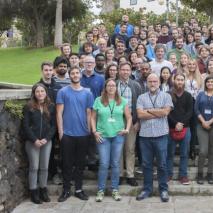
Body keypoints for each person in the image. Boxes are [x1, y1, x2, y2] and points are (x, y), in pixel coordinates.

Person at [56, 67, 94, 202]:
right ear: (69, 75)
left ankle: (78, 189)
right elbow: (59, 113)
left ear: (80, 75)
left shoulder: (88, 93)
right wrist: (61, 132)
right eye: (72, 73)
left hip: (83, 133)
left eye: (77, 73)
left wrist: (89, 130)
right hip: (67, 134)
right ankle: (66, 190)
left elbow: (89, 113)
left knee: (80, 164)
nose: (75, 75)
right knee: (66, 163)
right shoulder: (63, 92)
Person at [92, 79, 132, 202]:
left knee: (115, 163)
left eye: (113, 85)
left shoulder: (122, 101)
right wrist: (94, 131)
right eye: (109, 85)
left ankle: (115, 189)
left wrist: (127, 129)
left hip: (117, 136)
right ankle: (101, 190)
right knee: (104, 163)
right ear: (105, 87)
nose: (111, 87)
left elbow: (129, 117)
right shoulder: (98, 100)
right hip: (103, 136)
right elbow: (93, 118)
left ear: (116, 87)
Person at [136, 73, 173, 202]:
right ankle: (147, 189)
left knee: (162, 164)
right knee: (146, 164)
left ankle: (163, 189)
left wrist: (149, 111)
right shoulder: (141, 97)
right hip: (145, 136)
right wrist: (157, 111)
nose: (152, 84)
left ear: (159, 82)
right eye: (150, 81)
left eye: (155, 81)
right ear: (146, 83)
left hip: (161, 135)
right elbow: (140, 115)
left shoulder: (166, 96)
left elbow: (165, 112)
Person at [23, 83, 56, 204]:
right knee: (34, 167)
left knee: (44, 167)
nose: (40, 93)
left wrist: (46, 139)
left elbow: (53, 126)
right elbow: (25, 126)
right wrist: (35, 140)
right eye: (37, 91)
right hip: (32, 142)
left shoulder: (51, 106)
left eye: (42, 91)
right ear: (34, 93)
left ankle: (43, 190)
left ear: (45, 92)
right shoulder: (29, 106)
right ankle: (33, 192)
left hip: (46, 141)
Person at [117, 62, 142, 186]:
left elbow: (140, 105)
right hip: (115, 122)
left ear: (130, 71)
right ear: (119, 71)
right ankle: (120, 174)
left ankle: (130, 174)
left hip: (131, 121)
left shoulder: (135, 85)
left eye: (127, 70)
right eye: (123, 70)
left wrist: (138, 121)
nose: (125, 72)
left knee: (130, 148)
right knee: (118, 149)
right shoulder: (113, 84)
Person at [195, 76, 213, 185]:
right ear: (205, 83)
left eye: (212, 82)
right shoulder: (201, 94)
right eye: (208, 82)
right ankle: (200, 173)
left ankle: (210, 173)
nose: (210, 83)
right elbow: (196, 109)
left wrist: (209, 122)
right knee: (203, 151)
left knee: (212, 151)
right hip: (201, 125)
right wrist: (203, 122)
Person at [167, 74, 193, 184]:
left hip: (185, 128)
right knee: (169, 153)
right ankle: (168, 174)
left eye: (182, 80)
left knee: (184, 153)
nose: (180, 82)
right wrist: (175, 123)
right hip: (170, 128)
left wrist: (181, 123)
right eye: (178, 79)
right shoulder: (168, 95)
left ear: (184, 82)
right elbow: (166, 112)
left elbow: (190, 112)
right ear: (174, 80)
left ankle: (183, 176)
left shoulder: (188, 95)